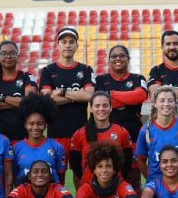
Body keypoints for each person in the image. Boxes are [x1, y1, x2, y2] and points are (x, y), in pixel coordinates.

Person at [39, 27, 96, 185]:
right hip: (57, 132)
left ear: (77, 45)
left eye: (71, 42)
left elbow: (89, 95)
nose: (68, 45)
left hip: (80, 132)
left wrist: (62, 92)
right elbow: (45, 99)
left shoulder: (85, 69)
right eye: (64, 42)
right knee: (57, 180)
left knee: (82, 178)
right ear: (58, 45)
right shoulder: (48, 71)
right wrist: (76, 96)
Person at [95, 45, 148, 191]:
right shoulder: (100, 79)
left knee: (133, 179)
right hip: (106, 137)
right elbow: (100, 102)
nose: (118, 58)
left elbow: (140, 96)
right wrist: (127, 97)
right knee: (106, 178)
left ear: (128, 59)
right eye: (114, 56)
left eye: (122, 55)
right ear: (109, 60)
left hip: (134, 137)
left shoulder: (137, 78)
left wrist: (111, 94)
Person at [135, 86, 178, 182]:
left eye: (170, 100)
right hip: (156, 185)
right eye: (162, 100)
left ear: (175, 103)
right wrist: (152, 179)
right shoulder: (146, 130)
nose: (166, 104)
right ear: (155, 103)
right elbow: (141, 160)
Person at [69, 91, 133, 187]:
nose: (101, 109)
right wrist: (87, 177)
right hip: (89, 186)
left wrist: (117, 177)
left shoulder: (121, 132)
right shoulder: (79, 134)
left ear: (111, 108)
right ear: (90, 108)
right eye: (97, 106)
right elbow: (75, 163)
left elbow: (127, 161)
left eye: (105, 105)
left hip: (115, 186)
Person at [0, 40, 38, 143]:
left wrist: (3, 98)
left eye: (12, 53)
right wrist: (19, 102)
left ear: (18, 56)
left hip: (23, 138)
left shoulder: (26, 77)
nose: (8, 56)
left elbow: (31, 102)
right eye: (4, 53)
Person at [14, 93, 65, 185]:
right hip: (25, 197)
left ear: (46, 125)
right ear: (25, 125)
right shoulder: (16, 148)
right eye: (31, 123)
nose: (35, 127)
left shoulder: (57, 147)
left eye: (40, 123)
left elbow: (61, 177)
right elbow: (15, 177)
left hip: (50, 197)